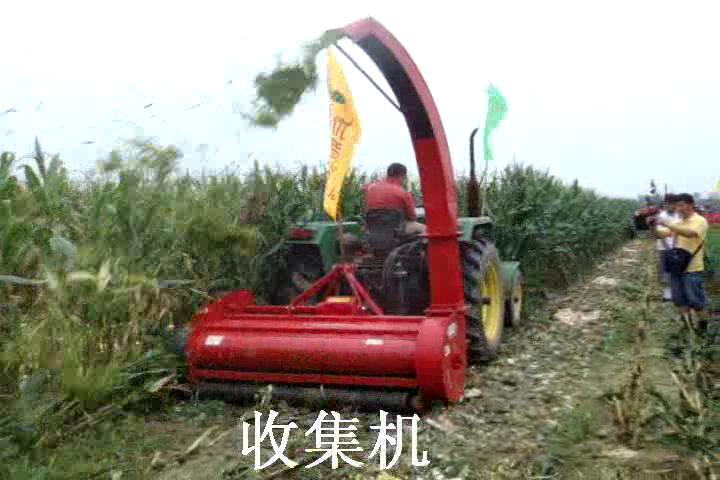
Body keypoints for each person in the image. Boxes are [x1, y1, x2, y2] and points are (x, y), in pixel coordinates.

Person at [656, 193, 709, 329]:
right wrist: (653, 226)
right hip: (677, 267)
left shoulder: (700, 221)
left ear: (691, 205)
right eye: (677, 206)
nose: (678, 208)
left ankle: (703, 328)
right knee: (679, 300)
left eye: (681, 205)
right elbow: (663, 234)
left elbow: (690, 233)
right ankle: (687, 327)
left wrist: (668, 224)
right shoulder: (678, 223)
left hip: (693, 269)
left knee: (695, 301)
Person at [364, 163, 426, 236]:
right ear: (402, 176)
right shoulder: (403, 193)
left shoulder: (371, 189)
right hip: (395, 230)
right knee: (425, 229)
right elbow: (412, 217)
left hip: (374, 229)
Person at [653, 193, 679, 300]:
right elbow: (660, 235)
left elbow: (679, 232)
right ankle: (667, 293)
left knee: (676, 269)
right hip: (664, 247)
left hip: (677, 246)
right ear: (665, 204)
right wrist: (669, 248)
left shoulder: (679, 215)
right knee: (665, 269)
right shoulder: (661, 216)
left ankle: (676, 291)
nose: (671, 206)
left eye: (673, 204)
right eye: (668, 204)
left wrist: (676, 246)